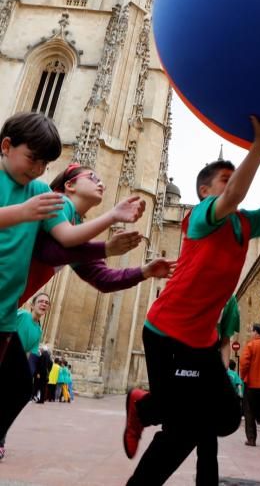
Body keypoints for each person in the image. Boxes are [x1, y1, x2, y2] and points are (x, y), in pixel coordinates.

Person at [126, 111, 260, 486]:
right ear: (204, 191)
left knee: (222, 415)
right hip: (167, 334)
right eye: (224, 178)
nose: (232, 183)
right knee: (183, 429)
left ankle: (146, 403)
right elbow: (235, 192)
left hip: (200, 342)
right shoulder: (200, 217)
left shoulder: (245, 222)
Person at [0, 112, 145, 452]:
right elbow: (56, 250)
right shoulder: (46, 200)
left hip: (5, 313)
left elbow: (69, 243)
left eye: (45, 164)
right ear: (6, 146)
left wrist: (137, 265)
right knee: (18, 383)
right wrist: (24, 213)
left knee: (18, 384)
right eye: (33, 159)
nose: (38, 170)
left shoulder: (39, 193)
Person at [19, 162, 176, 306]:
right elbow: (47, 252)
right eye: (92, 177)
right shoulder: (59, 201)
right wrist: (106, 245)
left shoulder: (76, 225)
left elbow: (103, 279)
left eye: (102, 181)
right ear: (70, 185)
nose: (100, 183)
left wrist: (145, 271)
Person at [123, 295, 241, 486]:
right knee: (187, 431)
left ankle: (145, 405)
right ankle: (146, 406)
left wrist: (221, 375)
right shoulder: (192, 280)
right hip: (182, 352)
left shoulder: (229, 298)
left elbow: (225, 340)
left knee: (222, 422)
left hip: (207, 358)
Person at [0, 292, 50, 460]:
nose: (43, 304)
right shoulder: (22, 315)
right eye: (41, 301)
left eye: (47, 303)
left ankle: (0, 441)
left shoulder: (38, 330)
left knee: (13, 401)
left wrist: (27, 377)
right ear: (32, 304)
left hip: (15, 366)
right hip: (5, 358)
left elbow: (31, 354)